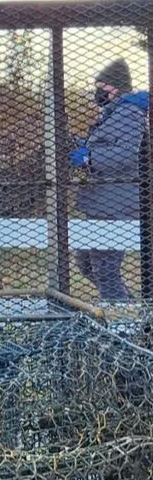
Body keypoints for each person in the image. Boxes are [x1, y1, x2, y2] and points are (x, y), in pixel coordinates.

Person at [71, 57, 149, 301]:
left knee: (105, 271)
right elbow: (109, 146)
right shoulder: (113, 114)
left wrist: (88, 159)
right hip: (103, 204)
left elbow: (126, 154)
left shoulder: (128, 114)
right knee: (86, 263)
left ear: (116, 88)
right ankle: (133, 309)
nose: (97, 92)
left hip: (115, 207)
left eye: (102, 87)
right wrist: (83, 147)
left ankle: (125, 323)